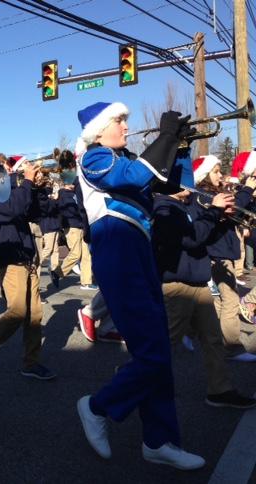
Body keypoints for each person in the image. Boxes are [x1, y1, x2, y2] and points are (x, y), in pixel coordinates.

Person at [74, 101, 205, 470]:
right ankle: (97, 406)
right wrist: (164, 135)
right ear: (98, 130)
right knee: (152, 354)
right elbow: (131, 177)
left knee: (158, 349)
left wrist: (180, 147)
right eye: (120, 120)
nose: (126, 127)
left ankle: (159, 440)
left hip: (139, 252)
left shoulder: (125, 155)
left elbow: (172, 184)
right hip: (117, 251)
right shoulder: (94, 158)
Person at [152, 161, 256, 409]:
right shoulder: (164, 207)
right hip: (177, 286)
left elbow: (203, 232)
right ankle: (130, 379)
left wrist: (220, 217)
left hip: (197, 282)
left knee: (212, 339)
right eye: (183, 180)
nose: (189, 186)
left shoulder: (185, 204)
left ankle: (220, 390)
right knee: (165, 344)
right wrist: (214, 212)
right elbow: (192, 238)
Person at [0, 153, 56, 380]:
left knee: (35, 315)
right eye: (4, 166)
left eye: (8, 165)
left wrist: (38, 187)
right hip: (9, 259)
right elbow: (14, 209)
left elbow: (39, 212)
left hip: (27, 256)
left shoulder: (16, 190)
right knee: (18, 311)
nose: (10, 169)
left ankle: (31, 363)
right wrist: (27, 181)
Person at [193, 155, 256, 360]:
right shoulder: (204, 195)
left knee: (220, 301)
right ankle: (231, 346)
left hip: (221, 252)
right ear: (203, 175)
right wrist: (247, 189)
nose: (221, 175)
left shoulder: (213, 193)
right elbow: (234, 206)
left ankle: (217, 341)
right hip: (217, 254)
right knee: (230, 300)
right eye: (216, 171)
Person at [50, 150, 96, 290]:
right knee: (76, 253)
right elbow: (63, 208)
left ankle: (86, 281)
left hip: (81, 223)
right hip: (71, 225)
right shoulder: (63, 188)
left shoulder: (75, 184)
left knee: (86, 253)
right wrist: (64, 190)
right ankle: (57, 272)